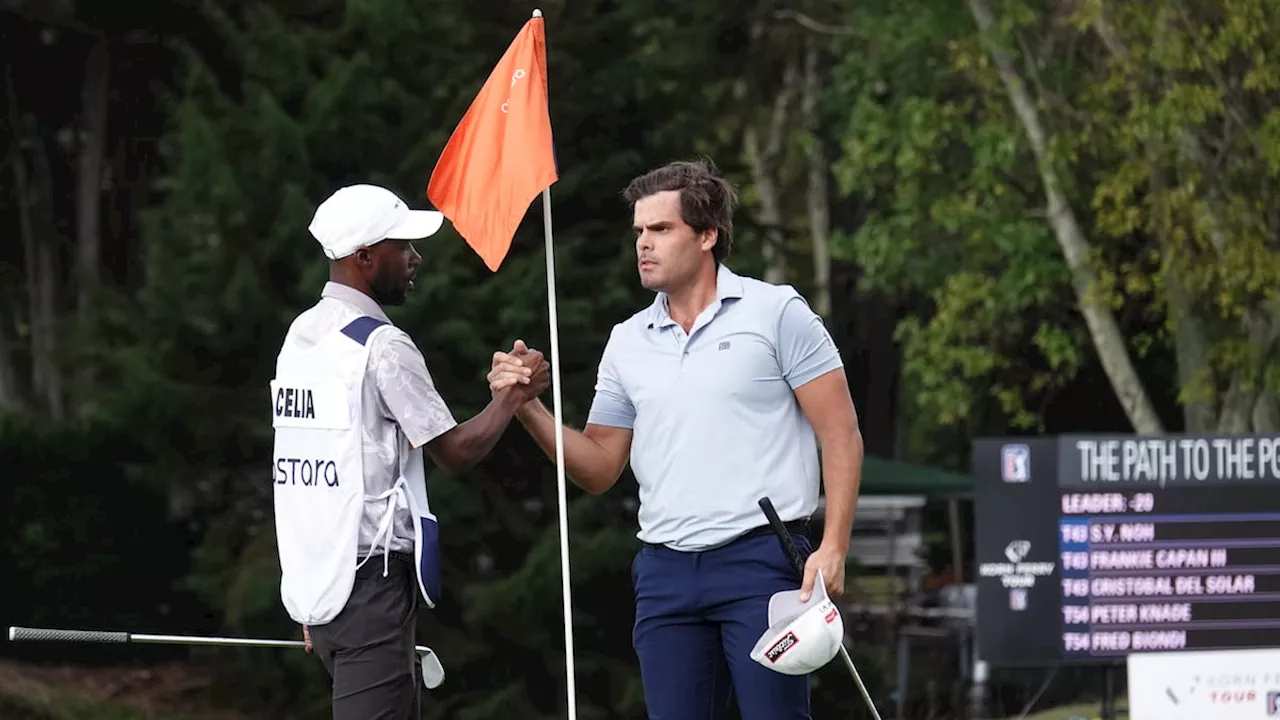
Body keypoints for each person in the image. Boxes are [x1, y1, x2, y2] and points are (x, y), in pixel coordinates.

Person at [489, 159, 864, 719]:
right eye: (639, 231)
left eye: (660, 229)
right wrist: (527, 407)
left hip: (760, 561)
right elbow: (597, 467)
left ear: (707, 235)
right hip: (664, 574)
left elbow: (841, 432)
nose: (643, 243)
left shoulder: (776, 312)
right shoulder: (627, 342)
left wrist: (833, 546)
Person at [270, 183, 549, 720]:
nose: (416, 257)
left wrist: (310, 587)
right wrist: (512, 394)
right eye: (403, 246)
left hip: (323, 584)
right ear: (365, 257)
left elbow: (301, 475)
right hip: (370, 592)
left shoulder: (301, 337)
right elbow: (457, 454)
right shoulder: (383, 346)